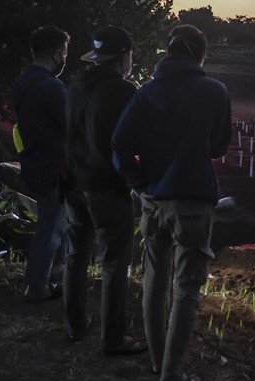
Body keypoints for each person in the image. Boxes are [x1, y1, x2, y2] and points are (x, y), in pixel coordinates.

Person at [113, 24, 232, 381]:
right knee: (186, 288)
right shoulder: (214, 91)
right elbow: (217, 147)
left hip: (153, 201)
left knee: (154, 280)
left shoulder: (147, 93)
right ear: (201, 55)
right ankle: (172, 374)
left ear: (167, 53)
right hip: (193, 204)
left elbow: (119, 142)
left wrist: (140, 184)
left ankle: (157, 361)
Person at [63, 25, 145, 356]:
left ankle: (74, 325)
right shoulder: (124, 91)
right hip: (107, 187)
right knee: (114, 262)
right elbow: (135, 140)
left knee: (76, 256)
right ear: (123, 56)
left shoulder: (76, 86)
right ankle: (113, 338)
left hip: (74, 183)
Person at [12, 26, 70, 301]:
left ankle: (58, 270)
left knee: (59, 220)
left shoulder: (23, 81)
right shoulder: (53, 87)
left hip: (34, 161)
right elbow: (70, 127)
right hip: (53, 165)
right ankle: (37, 285)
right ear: (58, 53)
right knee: (51, 225)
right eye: (65, 53)